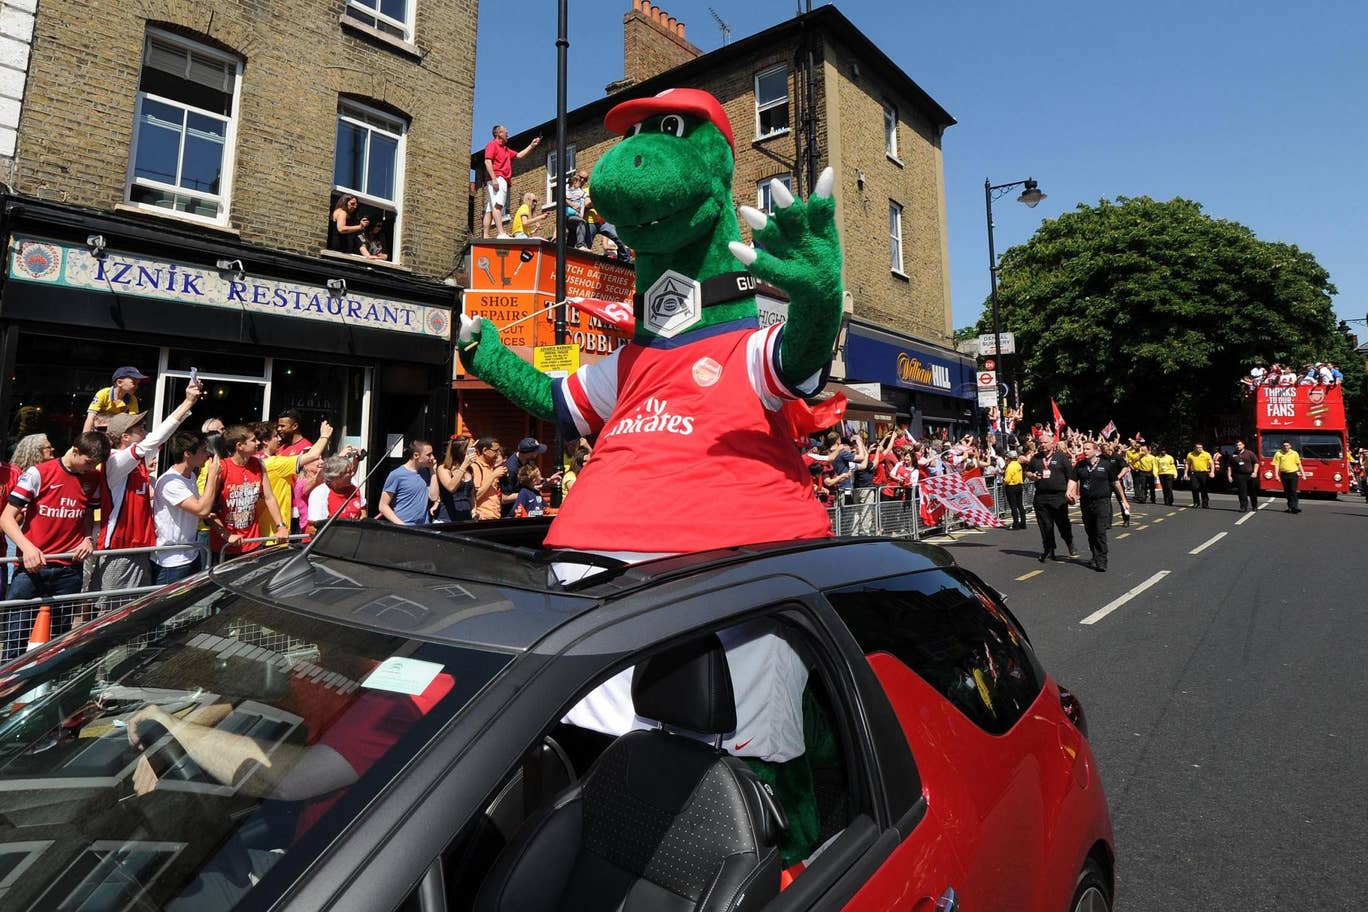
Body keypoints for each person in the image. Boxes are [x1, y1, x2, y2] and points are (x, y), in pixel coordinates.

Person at [0, 430, 109, 659]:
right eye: (88, 462)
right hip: (31, 568)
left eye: (95, 464)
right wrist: (27, 547)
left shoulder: (93, 478)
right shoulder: (39, 473)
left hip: (70, 569)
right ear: (75, 451)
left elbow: (88, 513)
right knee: (15, 636)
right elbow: (7, 517)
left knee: (58, 640)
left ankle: (50, 687)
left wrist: (87, 538)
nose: (90, 468)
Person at [93, 382, 204, 595]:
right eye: (140, 429)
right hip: (120, 549)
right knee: (115, 612)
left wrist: (188, 405)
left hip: (141, 548)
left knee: (136, 609)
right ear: (125, 437)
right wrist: (187, 402)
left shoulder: (137, 463)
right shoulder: (116, 461)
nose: (145, 431)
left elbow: (161, 437)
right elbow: (155, 439)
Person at [210, 424, 288, 558]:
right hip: (226, 545)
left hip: (253, 542)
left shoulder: (258, 464)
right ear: (239, 446)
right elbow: (208, 509)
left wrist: (280, 526)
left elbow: (269, 497)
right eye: (253, 440)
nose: (258, 442)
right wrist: (226, 535)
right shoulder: (222, 468)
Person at [153, 432, 220, 585]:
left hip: (190, 552)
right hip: (172, 560)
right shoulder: (170, 482)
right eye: (203, 450)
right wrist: (212, 476)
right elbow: (201, 510)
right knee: (170, 608)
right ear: (188, 454)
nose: (207, 454)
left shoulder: (191, 477)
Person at [256, 419, 332, 540]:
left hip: (260, 529)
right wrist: (324, 436)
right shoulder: (275, 463)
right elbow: (313, 455)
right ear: (265, 441)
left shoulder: (256, 459)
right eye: (275, 436)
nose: (280, 439)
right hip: (274, 532)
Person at [1025, 428, 1078, 562]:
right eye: (1040, 442)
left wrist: (1072, 493)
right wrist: (1032, 476)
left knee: (1063, 523)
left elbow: (1072, 476)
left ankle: (1069, 542)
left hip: (1059, 496)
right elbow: (1028, 472)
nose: (1042, 445)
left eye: (1045, 442)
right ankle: (1049, 550)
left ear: (1052, 443)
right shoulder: (1036, 458)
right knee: (1045, 525)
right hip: (1041, 496)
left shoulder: (1061, 457)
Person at [482, 125, 541, 238]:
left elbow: (519, 155)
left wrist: (531, 146)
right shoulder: (492, 145)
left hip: (498, 179)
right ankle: (500, 233)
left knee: (490, 208)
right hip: (498, 178)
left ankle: (486, 235)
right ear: (499, 134)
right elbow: (487, 162)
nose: (508, 133)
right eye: (505, 132)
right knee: (498, 206)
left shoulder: (506, 149)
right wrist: (494, 179)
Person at [1076, 440, 1118, 572]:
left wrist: (1123, 500)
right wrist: (1069, 492)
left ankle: (1102, 560)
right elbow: (1073, 480)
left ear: (1095, 450)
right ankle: (1095, 555)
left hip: (1102, 501)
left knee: (1100, 531)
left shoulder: (1106, 465)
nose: (1085, 451)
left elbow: (1115, 482)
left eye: (1088, 449)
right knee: (1090, 531)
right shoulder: (1080, 465)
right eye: (1084, 448)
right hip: (1086, 502)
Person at [377, 438, 435, 525]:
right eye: (428, 455)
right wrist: (401, 525)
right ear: (416, 455)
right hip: (405, 527)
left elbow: (434, 497)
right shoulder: (396, 475)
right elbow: (383, 506)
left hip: (424, 526)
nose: (432, 457)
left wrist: (432, 471)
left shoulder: (425, 472)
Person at [307, 454, 366, 533]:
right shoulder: (320, 493)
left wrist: (363, 519)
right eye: (348, 472)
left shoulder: (354, 488)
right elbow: (313, 528)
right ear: (337, 476)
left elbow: (362, 508)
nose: (352, 474)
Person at [83, 366, 147, 432]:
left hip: (115, 431)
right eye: (134, 383)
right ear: (119, 382)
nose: (137, 386)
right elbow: (90, 417)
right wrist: (85, 438)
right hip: (98, 430)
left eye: (138, 383)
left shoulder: (132, 399)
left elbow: (132, 421)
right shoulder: (103, 393)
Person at [434, 436, 476, 522]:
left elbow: (471, 495)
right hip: (447, 518)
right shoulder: (444, 468)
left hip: (466, 517)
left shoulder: (470, 469)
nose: (474, 451)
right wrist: (464, 466)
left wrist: (474, 511)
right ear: (462, 451)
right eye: (471, 448)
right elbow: (451, 487)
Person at [470, 437, 509, 520]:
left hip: (494, 516)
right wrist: (493, 476)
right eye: (495, 450)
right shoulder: (476, 467)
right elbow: (475, 496)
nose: (498, 454)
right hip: (483, 517)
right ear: (484, 451)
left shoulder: (490, 467)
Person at [1226, 438, 1259, 512]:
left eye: (1240, 445)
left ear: (1243, 445)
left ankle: (1254, 506)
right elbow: (1229, 466)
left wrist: (1255, 472)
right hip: (1239, 475)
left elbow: (1256, 463)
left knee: (1252, 491)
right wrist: (1229, 475)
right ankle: (1243, 506)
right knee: (1242, 492)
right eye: (1237, 445)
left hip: (1250, 475)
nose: (1238, 446)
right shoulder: (1233, 455)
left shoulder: (1249, 453)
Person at [1272, 440, 1303, 513]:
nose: (1285, 447)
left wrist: (1303, 473)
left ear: (1290, 446)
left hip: (1293, 474)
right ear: (1282, 446)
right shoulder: (1278, 453)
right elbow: (1276, 465)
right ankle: (1290, 507)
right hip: (1284, 474)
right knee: (1287, 491)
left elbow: (1299, 464)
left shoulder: (1294, 453)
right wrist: (1276, 475)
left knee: (1293, 490)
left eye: (1287, 445)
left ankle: (1295, 507)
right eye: (1284, 445)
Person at [1002, 450, 1027, 530]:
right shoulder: (1018, 465)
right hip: (1019, 485)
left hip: (1011, 487)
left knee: (1013, 506)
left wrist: (1003, 485)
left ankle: (1016, 524)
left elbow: (1007, 479)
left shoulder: (1010, 467)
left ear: (1009, 458)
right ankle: (1023, 523)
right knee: (1020, 505)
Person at [1184, 443, 1213, 508]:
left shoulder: (1206, 454)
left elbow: (1211, 463)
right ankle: (1196, 502)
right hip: (1194, 473)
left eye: (1201, 447)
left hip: (1204, 473)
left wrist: (1212, 472)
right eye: (1198, 447)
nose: (1200, 449)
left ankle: (1205, 503)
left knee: (1204, 488)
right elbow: (1187, 464)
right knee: (1194, 488)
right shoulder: (1190, 454)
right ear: (1194, 448)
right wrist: (1185, 473)